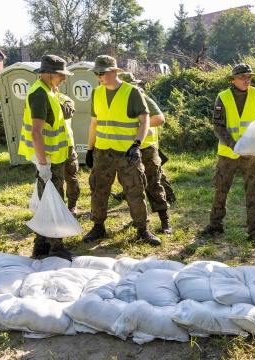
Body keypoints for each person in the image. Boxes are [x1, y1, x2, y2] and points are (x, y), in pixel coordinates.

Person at [81, 55, 161, 246]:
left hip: (127, 154)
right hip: (102, 153)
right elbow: (94, 123)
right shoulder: (97, 93)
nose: (98, 76)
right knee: (98, 191)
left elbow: (145, 121)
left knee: (135, 190)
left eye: (101, 73)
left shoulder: (132, 92)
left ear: (114, 72)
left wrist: (136, 145)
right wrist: (90, 150)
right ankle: (98, 227)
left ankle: (142, 230)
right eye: (96, 73)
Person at [199, 63, 255, 247]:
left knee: (253, 192)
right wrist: (234, 144)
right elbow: (218, 126)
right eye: (242, 77)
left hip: (251, 154)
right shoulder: (223, 97)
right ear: (233, 79)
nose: (246, 80)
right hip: (228, 153)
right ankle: (215, 225)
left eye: (249, 77)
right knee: (221, 189)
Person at [18, 55, 74, 260]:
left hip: (53, 156)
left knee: (46, 200)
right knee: (53, 201)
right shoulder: (40, 94)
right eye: (61, 75)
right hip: (48, 158)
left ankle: (40, 246)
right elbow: (36, 132)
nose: (64, 79)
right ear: (48, 74)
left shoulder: (49, 91)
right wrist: (43, 165)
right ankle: (56, 247)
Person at [109, 71, 173, 234]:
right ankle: (139, 220)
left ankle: (165, 221)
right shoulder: (115, 100)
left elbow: (159, 119)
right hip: (125, 149)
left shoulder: (142, 98)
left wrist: (137, 127)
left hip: (145, 149)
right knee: (132, 187)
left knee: (154, 184)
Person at [53, 87, 80, 216]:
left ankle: (72, 206)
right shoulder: (41, 99)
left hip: (67, 145)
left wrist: (54, 99)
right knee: (55, 179)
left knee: (71, 177)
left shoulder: (65, 99)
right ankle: (59, 208)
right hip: (51, 146)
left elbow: (67, 113)